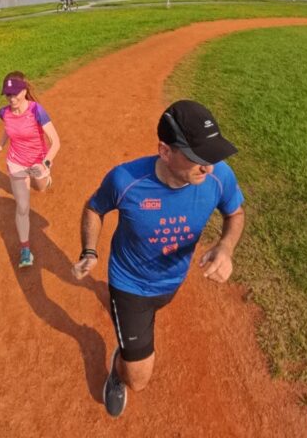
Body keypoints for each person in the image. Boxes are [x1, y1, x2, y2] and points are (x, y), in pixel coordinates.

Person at [72, 100, 246, 418]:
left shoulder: (218, 175)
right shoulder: (126, 180)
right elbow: (95, 208)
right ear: (165, 151)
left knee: (156, 314)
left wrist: (226, 247)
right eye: (197, 158)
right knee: (138, 380)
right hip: (130, 285)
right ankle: (119, 368)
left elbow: (234, 213)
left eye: (211, 156)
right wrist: (89, 251)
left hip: (171, 282)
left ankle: (130, 347)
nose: (208, 168)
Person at [0, 71, 61, 268]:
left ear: (24, 90)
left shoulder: (36, 110)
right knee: (22, 206)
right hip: (16, 162)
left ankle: (47, 178)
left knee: (41, 187)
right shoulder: (4, 113)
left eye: (15, 93)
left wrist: (45, 163)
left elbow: (56, 142)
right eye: (8, 95)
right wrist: (0, 145)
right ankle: (25, 250)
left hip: (39, 162)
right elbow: (8, 127)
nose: (12, 98)